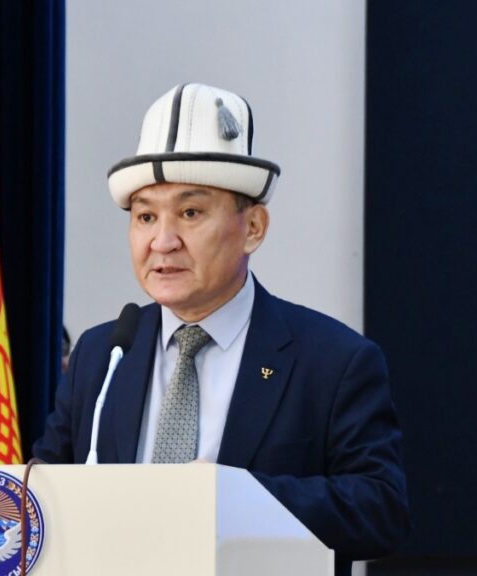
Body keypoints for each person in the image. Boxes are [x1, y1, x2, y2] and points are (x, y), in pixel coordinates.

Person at [34, 83, 410, 575]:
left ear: (253, 228)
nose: (162, 241)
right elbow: (42, 488)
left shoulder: (333, 361)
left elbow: (380, 511)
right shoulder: (102, 353)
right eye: (145, 216)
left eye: (190, 213)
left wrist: (234, 495)